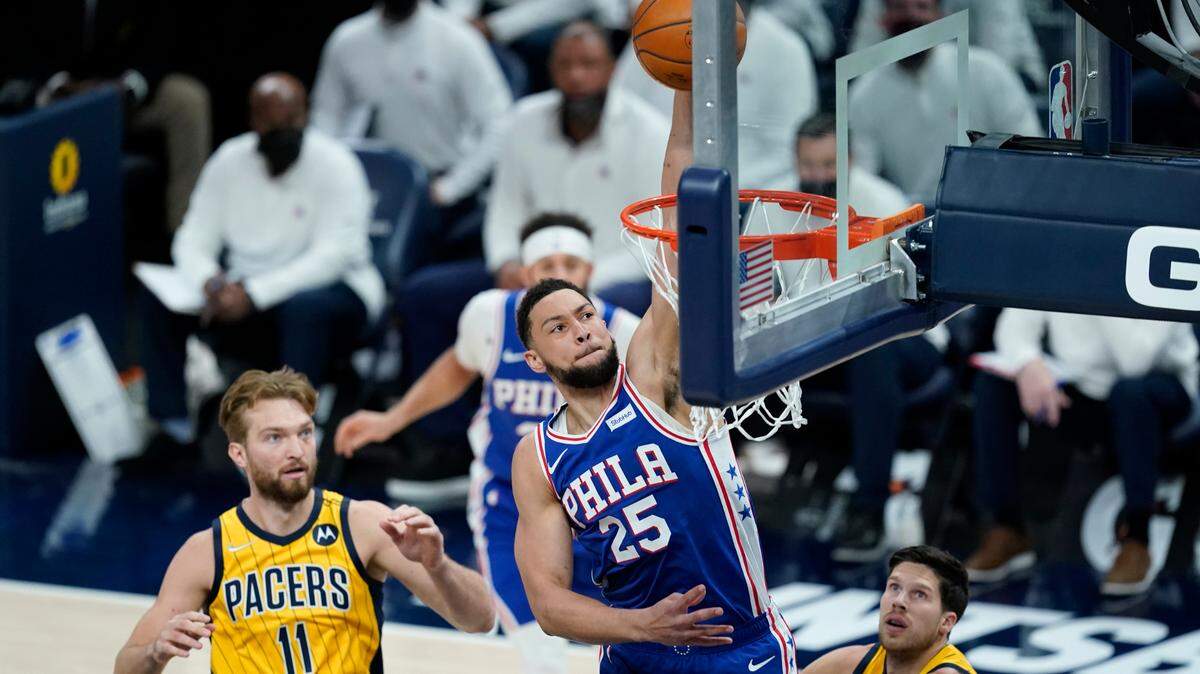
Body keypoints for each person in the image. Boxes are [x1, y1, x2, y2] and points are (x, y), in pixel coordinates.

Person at [511, 90, 797, 673]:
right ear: (536, 360)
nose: (583, 331)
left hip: (736, 650)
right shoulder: (538, 458)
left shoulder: (650, 376)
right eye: (558, 328)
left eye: (587, 315)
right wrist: (640, 626)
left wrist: (689, 80)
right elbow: (548, 603)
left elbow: (677, 217)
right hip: (635, 656)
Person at [336, 212, 639, 674]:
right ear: (525, 274)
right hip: (508, 503)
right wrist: (391, 419)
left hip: (595, 503)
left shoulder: (620, 331)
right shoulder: (490, 316)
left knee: (618, 639)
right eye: (547, 264)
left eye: (572, 264)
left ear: (590, 272)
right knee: (538, 649)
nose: (559, 274)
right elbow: (458, 367)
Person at [113, 368, 495, 673]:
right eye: (274, 438)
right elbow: (127, 667)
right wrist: (156, 652)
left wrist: (439, 564)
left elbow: (480, 619)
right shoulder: (206, 552)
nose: (296, 451)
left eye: (305, 434)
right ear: (239, 454)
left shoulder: (363, 526)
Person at [139, 73, 384, 446]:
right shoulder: (229, 160)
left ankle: (295, 436)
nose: (285, 130)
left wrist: (253, 294)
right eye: (273, 122)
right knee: (157, 297)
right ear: (254, 121)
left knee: (305, 310)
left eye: (293, 120)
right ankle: (171, 427)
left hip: (331, 290)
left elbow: (332, 257)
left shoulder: (337, 164)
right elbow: (193, 237)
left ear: (305, 117)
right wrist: (212, 282)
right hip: (242, 290)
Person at [790, 112, 949, 562]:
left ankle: (869, 508)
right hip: (821, 343)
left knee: (870, 350)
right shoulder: (778, 208)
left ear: (851, 159)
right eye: (809, 165)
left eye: (828, 164)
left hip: (909, 335)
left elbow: (911, 298)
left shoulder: (885, 202)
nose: (818, 176)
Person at [966, 310, 1198, 595]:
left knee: (1131, 394)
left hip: (1159, 387)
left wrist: (1099, 283)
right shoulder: (1064, 263)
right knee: (993, 385)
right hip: (1079, 385)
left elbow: (1136, 360)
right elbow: (1012, 324)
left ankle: (1138, 539)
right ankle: (1007, 528)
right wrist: (1029, 365)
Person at [311, 0, 512, 221]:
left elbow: (500, 123)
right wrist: (333, 179)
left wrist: (452, 187)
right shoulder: (347, 40)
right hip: (370, 186)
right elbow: (326, 117)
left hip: (440, 189)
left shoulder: (457, 39)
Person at [613, 0, 819, 190]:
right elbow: (620, 108)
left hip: (753, 195)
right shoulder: (660, 32)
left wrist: (729, 185)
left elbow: (791, 147)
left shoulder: (786, 49)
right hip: (664, 177)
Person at [848, 0, 1039, 203]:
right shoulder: (865, 94)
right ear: (882, 19)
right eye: (899, 7)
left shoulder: (987, 71)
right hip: (913, 220)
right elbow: (862, 179)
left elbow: (1030, 152)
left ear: (941, 17)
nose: (911, 17)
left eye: (922, 7)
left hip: (995, 208)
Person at [802, 546, 976, 674]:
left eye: (919, 594)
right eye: (894, 587)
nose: (899, 601)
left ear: (946, 622)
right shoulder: (850, 662)